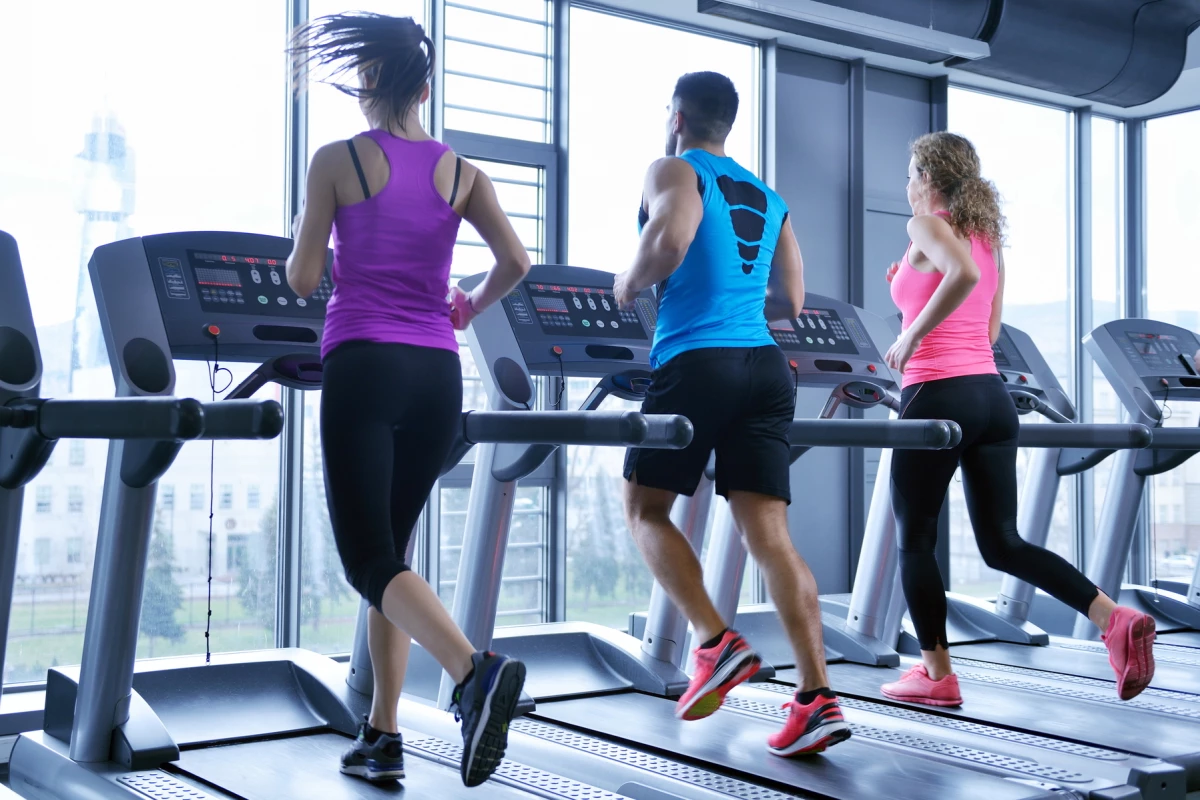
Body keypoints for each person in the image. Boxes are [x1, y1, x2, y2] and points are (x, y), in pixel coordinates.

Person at [286, 13, 531, 787]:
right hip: (436, 373)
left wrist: (327, 246)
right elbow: (515, 262)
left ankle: (471, 673)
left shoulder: (337, 162)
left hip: (364, 364)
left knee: (368, 560)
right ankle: (382, 734)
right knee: (392, 555)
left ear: (366, 88)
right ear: (424, 88)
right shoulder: (461, 172)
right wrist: (464, 306)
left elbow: (300, 279)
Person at [615, 71, 851, 757]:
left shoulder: (674, 168)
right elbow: (793, 300)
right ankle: (816, 696)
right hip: (765, 366)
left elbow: (672, 239)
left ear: (680, 116)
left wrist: (630, 281)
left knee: (645, 510)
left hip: (698, 361)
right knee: (770, 535)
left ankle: (714, 642)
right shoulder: (767, 194)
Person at [882, 132, 1156, 707]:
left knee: (915, 539)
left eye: (911, 172)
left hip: (935, 393)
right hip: (991, 397)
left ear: (931, 176)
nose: (906, 184)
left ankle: (936, 676)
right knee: (1003, 543)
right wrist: (912, 295)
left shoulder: (925, 225)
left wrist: (910, 333)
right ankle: (1114, 620)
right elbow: (989, 331)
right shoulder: (986, 236)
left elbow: (962, 279)